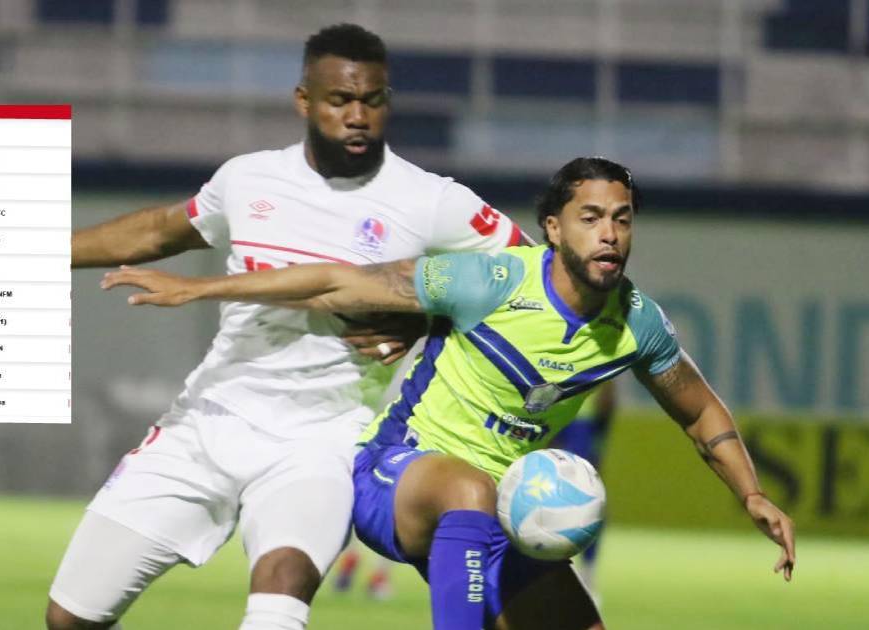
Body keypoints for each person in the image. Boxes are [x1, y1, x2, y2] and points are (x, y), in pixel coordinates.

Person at [101, 156, 797, 630]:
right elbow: (339, 281)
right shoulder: (491, 281)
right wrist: (201, 287)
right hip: (396, 476)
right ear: (554, 229)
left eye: (621, 218)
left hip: (498, 507)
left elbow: (699, 409)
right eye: (590, 217)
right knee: (468, 489)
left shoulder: (636, 323)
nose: (609, 234)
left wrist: (751, 494)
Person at [46, 24, 525, 630]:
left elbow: (528, 282)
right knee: (69, 617)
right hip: (207, 421)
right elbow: (158, 231)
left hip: (322, 442)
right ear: (304, 100)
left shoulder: (433, 201)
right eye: (340, 100)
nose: (358, 117)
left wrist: (425, 317)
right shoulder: (248, 178)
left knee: (282, 586)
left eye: (372, 101)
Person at [548, 380, 615, 596]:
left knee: (586, 495)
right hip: (560, 418)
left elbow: (608, 392)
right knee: (558, 494)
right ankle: (559, 568)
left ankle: (587, 571)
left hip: (579, 421)